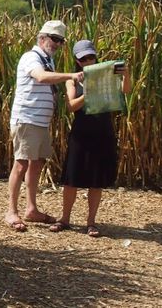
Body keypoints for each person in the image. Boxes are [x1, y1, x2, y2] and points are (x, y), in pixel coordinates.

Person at [5, 20, 84, 232]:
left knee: (37, 163)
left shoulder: (46, 60)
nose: (57, 44)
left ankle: (31, 209)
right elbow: (40, 77)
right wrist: (70, 76)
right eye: (54, 39)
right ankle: (12, 212)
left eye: (61, 41)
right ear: (42, 38)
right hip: (27, 119)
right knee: (20, 163)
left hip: (40, 121)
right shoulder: (32, 58)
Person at [49, 40, 131, 237]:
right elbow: (71, 106)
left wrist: (126, 74)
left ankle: (91, 222)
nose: (87, 61)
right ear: (77, 61)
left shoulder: (108, 75)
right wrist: (89, 91)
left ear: (95, 56)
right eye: (83, 58)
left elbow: (125, 91)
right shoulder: (73, 80)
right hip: (81, 131)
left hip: (103, 130)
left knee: (96, 180)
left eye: (90, 57)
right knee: (72, 178)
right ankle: (65, 219)